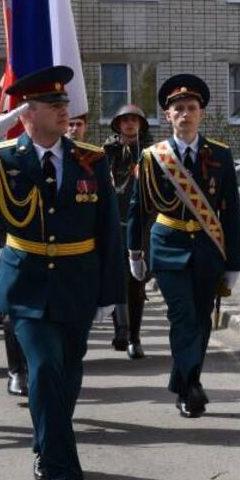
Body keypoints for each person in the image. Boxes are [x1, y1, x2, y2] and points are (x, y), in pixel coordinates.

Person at [0, 66, 123, 480]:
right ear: (27, 114)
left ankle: (46, 443)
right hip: (25, 288)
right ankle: (63, 473)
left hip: (78, 284)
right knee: (43, 369)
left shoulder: (91, 159)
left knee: (68, 375)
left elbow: (109, 232)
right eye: (54, 105)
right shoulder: (1, 158)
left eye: (65, 104)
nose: (66, 110)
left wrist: (110, 293)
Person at [126, 75, 240, 419]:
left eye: (191, 108)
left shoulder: (220, 154)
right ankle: (191, 385)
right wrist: (134, 251)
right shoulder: (152, 157)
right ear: (168, 116)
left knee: (202, 317)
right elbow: (138, 207)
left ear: (201, 114)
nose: (185, 114)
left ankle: (185, 381)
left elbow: (231, 211)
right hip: (169, 244)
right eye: (178, 109)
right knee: (182, 316)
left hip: (208, 248)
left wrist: (234, 262)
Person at [104, 104, 152, 358]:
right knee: (117, 278)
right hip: (112, 225)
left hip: (141, 226)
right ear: (118, 124)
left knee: (136, 283)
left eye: (135, 120)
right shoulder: (105, 153)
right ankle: (121, 330)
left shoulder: (151, 153)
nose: (130, 124)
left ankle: (134, 336)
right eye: (125, 120)